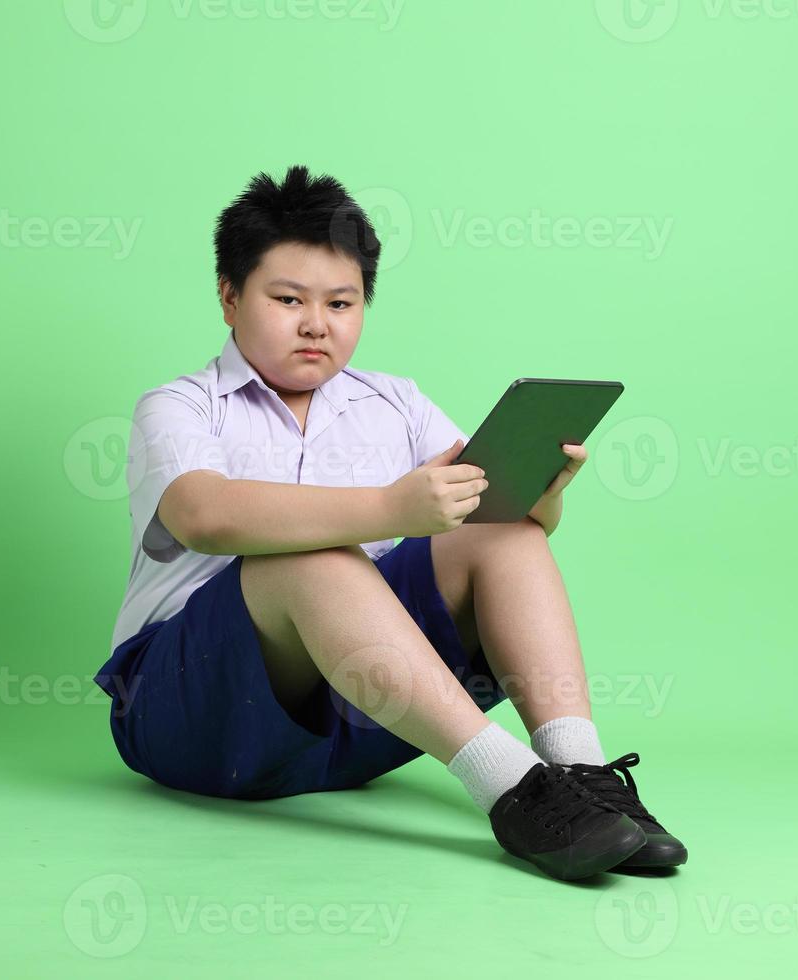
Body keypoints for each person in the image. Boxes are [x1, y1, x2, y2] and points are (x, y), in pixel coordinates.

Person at [94, 164, 686, 880]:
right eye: (288, 298)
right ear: (229, 295)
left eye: (341, 303)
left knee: (500, 526)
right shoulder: (182, 405)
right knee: (312, 554)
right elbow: (204, 516)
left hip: (356, 710)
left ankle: (581, 775)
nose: (317, 323)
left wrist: (543, 495)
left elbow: (491, 519)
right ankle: (516, 789)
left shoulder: (394, 401)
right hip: (191, 718)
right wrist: (389, 509)